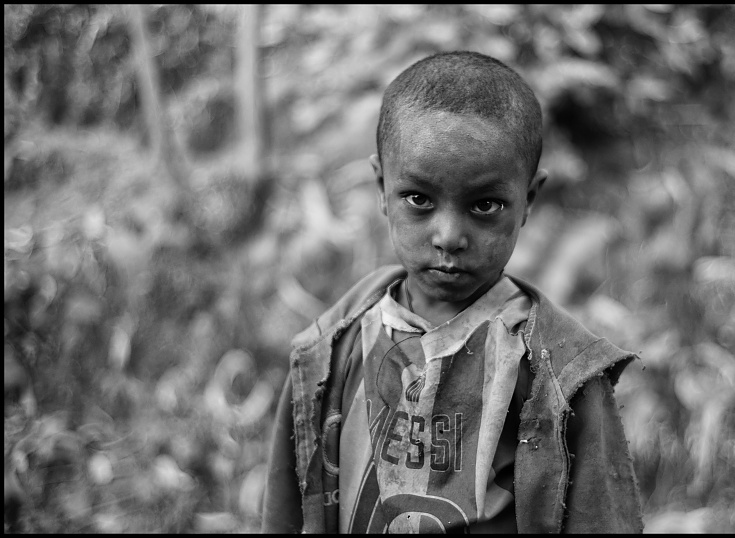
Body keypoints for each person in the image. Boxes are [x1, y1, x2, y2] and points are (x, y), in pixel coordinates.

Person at [262, 50, 643, 534]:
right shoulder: (331, 347)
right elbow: (288, 502)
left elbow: (600, 516)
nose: (448, 237)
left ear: (527, 199)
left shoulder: (558, 370)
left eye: (485, 205)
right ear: (381, 187)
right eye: (418, 199)